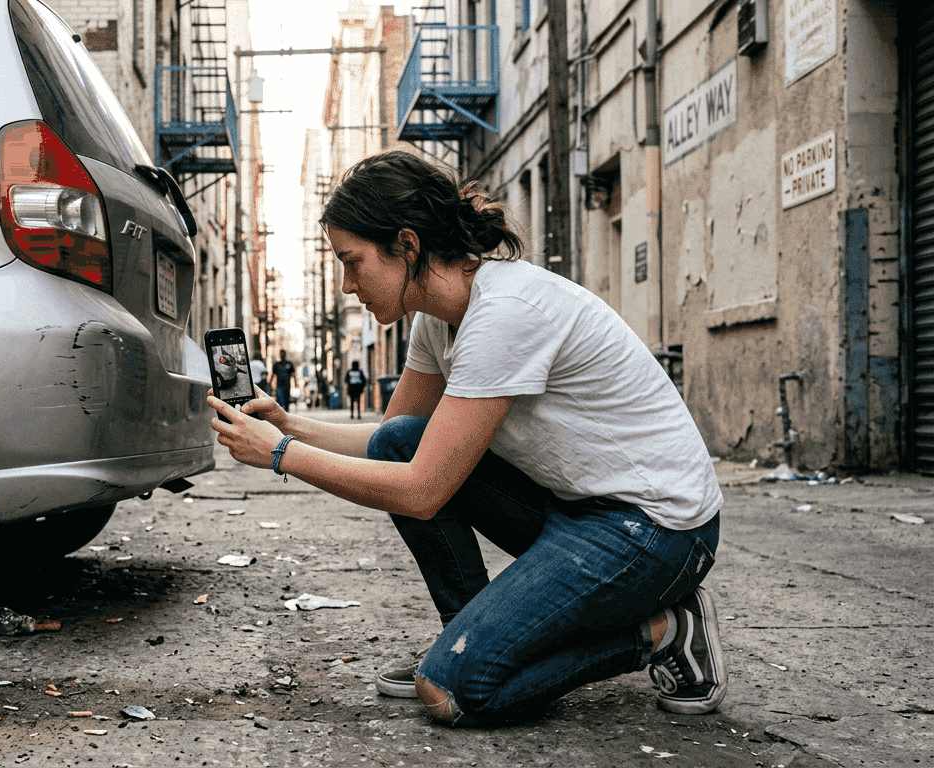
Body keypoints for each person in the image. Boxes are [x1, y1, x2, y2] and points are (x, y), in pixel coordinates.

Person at [206, 150, 725, 726]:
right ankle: (463, 637)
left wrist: (279, 455)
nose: (349, 285)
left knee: (459, 689)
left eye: (353, 263)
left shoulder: (505, 311)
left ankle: (665, 629)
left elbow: (422, 491)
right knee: (402, 439)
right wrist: (287, 424)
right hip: (579, 512)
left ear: (406, 245)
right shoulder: (437, 318)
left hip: (657, 531)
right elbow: (391, 443)